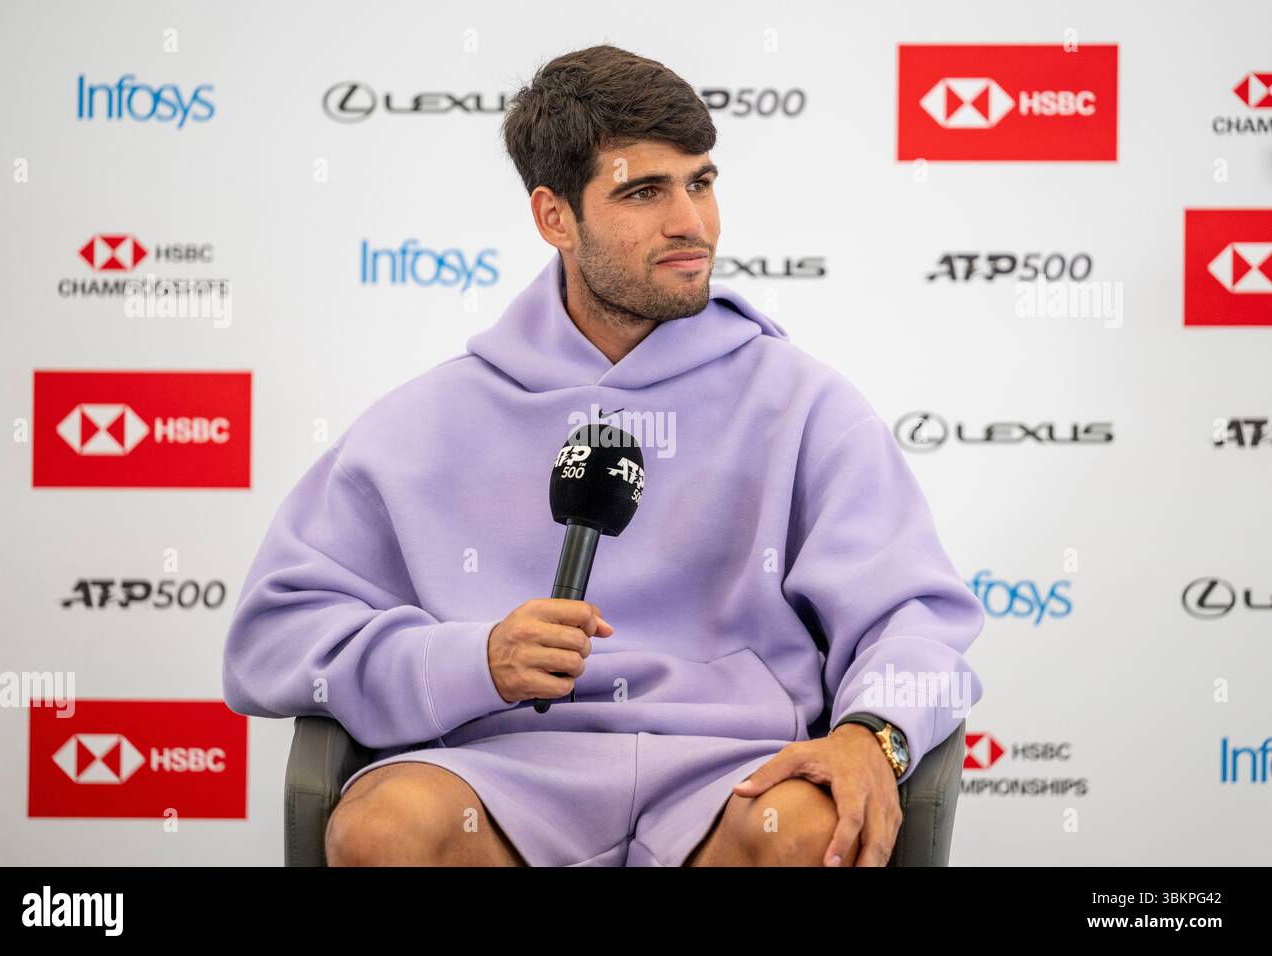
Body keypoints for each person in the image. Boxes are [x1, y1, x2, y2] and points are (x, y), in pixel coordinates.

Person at [222, 44, 985, 867]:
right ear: (555, 217)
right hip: (497, 769)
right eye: (643, 191)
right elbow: (274, 639)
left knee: (806, 829)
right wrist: (473, 660)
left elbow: (912, 616)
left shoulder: (806, 405)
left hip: (733, 771)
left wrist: (876, 735)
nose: (691, 222)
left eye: (700, 181)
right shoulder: (424, 421)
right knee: (385, 826)